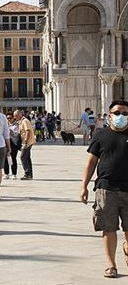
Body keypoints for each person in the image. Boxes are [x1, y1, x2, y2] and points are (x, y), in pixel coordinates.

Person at [80, 100, 128, 278]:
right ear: (109, 116)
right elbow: (91, 162)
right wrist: (83, 186)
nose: (120, 116)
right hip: (106, 188)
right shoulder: (101, 135)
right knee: (109, 228)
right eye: (117, 113)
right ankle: (111, 264)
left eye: (124, 113)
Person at [17, 110, 36, 180]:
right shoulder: (21, 121)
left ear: (19, 115)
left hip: (27, 142)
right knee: (27, 158)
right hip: (26, 142)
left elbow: (28, 131)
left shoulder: (25, 121)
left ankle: (27, 173)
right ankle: (29, 174)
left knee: (23, 157)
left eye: (16, 116)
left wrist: (25, 142)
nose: (15, 118)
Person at [5, 114, 20, 179]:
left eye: (10, 118)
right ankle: (6, 173)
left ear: (13, 118)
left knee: (13, 158)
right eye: (7, 118)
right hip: (5, 143)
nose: (9, 119)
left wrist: (11, 132)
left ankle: (14, 174)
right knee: (5, 159)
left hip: (13, 144)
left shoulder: (16, 125)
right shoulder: (5, 125)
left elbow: (16, 134)